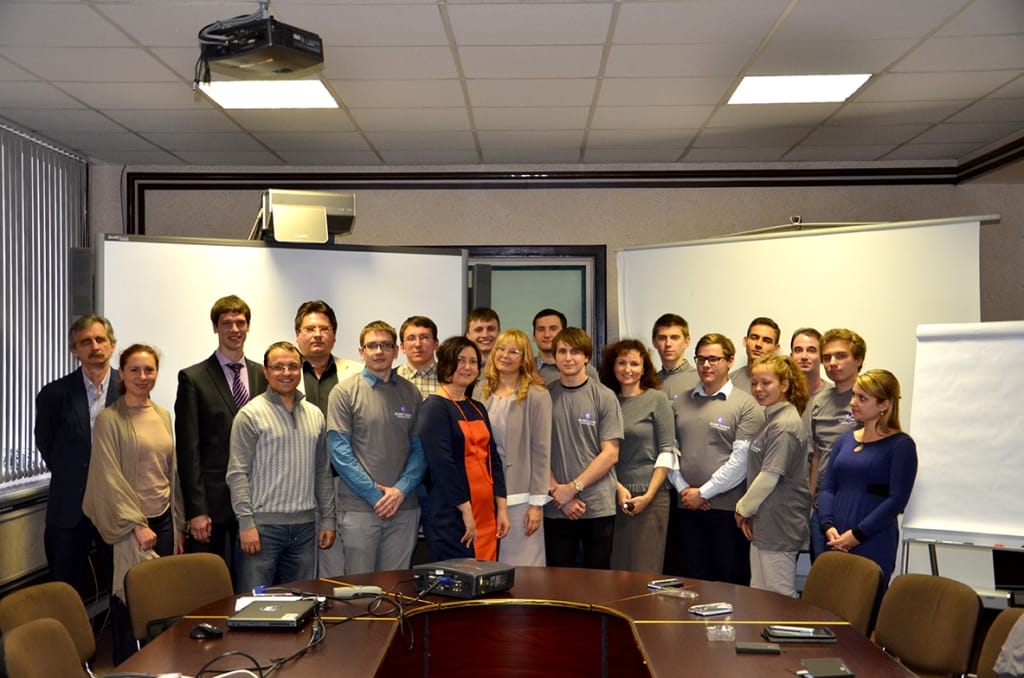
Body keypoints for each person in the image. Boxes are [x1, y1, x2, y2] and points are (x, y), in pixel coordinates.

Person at [82, 344, 184, 664]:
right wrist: (137, 525)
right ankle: (128, 665)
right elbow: (108, 477)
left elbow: (171, 472)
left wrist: (178, 525)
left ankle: (159, 664)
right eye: (135, 370)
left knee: (160, 600)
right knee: (128, 603)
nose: (142, 376)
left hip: (163, 520)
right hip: (128, 527)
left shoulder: (163, 415)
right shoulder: (109, 419)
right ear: (122, 374)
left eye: (149, 370)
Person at [226, 342, 336, 592]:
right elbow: (237, 473)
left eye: (293, 366)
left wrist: (328, 520)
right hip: (262, 529)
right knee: (254, 605)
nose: (286, 372)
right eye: (278, 367)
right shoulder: (250, 415)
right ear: (265, 372)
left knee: (301, 602)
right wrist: (246, 523)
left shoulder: (316, 415)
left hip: (306, 529)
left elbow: (322, 472)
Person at [175, 295, 267, 587]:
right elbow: (188, 450)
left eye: (240, 322)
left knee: (252, 586)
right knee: (210, 587)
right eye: (227, 323)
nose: (234, 329)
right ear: (216, 327)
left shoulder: (264, 375)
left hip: (257, 502)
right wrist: (196, 511)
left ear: (248, 326)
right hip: (211, 507)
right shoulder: (193, 378)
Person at [327, 321, 426, 574]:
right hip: (360, 508)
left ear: (396, 351)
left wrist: (400, 491)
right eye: (372, 346)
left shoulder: (411, 392)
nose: (379, 351)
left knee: (395, 586)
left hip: (404, 507)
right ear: (361, 352)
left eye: (386, 345)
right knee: (360, 588)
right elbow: (339, 453)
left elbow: (419, 450)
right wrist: (376, 496)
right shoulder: (344, 392)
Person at [34, 314, 119, 598]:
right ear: (75, 350)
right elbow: (46, 444)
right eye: (86, 342)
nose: (94, 346)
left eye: (100, 339)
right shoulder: (54, 394)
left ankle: (124, 631)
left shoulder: (129, 388)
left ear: (112, 345)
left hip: (117, 508)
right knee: (64, 593)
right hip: (68, 509)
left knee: (125, 589)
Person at [671, 333, 763, 585]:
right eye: (701, 359)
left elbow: (741, 461)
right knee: (692, 582)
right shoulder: (681, 401)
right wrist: (685, 491)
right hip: (686, 507)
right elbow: (670, 450)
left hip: (727, 510)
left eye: (714, 359)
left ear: (730, 361)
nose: (706, 365)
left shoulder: (746, 404)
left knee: (728, 583)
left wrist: (703, 493)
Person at [413, 337, 509, 561]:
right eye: (460, 360)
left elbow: (493, 459)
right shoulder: (434, 407)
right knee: (461, 576)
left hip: (486, 512)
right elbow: (442, 465)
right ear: (446, 364)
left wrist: (502, 508)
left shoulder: (477, 407)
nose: (467, 367)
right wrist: (466, 511)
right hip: (453, 512)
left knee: (486, 575)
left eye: (473, 361)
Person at [818, 369, 918, 583]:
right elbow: (828, 487)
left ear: (884, 404)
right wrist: (827, 525)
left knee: (865, 599)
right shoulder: (845, 440)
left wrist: (858, 535)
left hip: (872, 538)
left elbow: (897, 500)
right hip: (835, 536)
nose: (853, 402)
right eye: (854, 395)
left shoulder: (901, 445)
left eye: (862, 398)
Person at [545, 327, 623, 569]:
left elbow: (611, 454)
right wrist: (559, 493)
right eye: (562, 351)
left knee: (598, 582)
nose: (568, 358)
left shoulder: (605, 396)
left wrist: (573, 488)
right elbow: (536, 453)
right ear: (554, 357)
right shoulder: (544, 397)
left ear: (587, 357)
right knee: (558, 581)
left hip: (597, 506)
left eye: (575, 352)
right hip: (555, 506)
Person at [734, 354, 811, 597]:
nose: (758, 389)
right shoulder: (771, 418)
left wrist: (742, 509)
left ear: (784, 385)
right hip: (764, 521)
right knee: (759, 595)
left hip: (780, 523)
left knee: (780, 598)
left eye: (766, 383)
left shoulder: (784, 425)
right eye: (754, 383)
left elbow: (769, 477)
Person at [293, 299, 360, 578]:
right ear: (297, 334)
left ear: (334, 334)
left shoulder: (356, 372)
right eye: (310, 329)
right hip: (299, 482)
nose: (317, 335)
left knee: (341, 565)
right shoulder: (282, 373)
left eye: (324, 328)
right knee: (301, 567)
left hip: (345, 481)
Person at [599, 339, 674, 574]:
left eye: (634, 363)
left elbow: (667, 451)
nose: (627, 369)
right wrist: (618, 488)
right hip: (612, 496)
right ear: (612, 367)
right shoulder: (607, 400)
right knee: (617, 570)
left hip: (651, 497)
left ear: (644, 368)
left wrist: (648, 495)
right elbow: (600, 453)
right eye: (621, 363)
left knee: (645, 570)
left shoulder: (657, 399)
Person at [482, 329, 552, 566]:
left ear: (524, 360)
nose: (505, 355)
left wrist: (536, 504)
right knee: (487, 568)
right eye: (501, 349)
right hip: (485, 496)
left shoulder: (537, 395)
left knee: (523, 570)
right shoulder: (480, 391)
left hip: (520, 498)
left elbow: (542, 452)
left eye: (514, 351)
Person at [806, 328, 867, 560]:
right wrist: (810, 503)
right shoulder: (818, 400)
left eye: (841, 356)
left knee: (860, 576)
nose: (832, 363)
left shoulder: (871, 398)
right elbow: (815, 455)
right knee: (824, 574)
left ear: (859, 359)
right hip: (823, 506)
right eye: (827, 357)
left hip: (859, 505)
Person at [532, 308, 598, 384]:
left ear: (564, 333)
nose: (547, 335)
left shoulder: (586, 370)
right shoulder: (525, 369)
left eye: (553, 329)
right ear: (534, 336)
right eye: (541, 329)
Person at [651, 313, 699, 403]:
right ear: (654, 342)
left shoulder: (701, 380)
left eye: (674, 338)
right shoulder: (650, 383)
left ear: (686, 342)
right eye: (662, 338)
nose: (668, 344)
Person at [729, 317, 780, 393]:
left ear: (776, 348)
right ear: (745, 341)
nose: (758, 344)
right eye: (754, 338)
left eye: (766, 340)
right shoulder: (730, 381)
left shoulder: (783, 383)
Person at [397, 315, 440, 399]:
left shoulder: (450, 378)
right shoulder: (391, 378)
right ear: (402, 347)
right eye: (411, 338)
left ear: (436, 343)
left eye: (424, 338)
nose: (418, 344)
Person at [790, 327, 826, 396]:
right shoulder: (781, 394)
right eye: (798, 350)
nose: (804, 356)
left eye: (811, 350)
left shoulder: (835, 394)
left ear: (821, 357)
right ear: (791, 357)